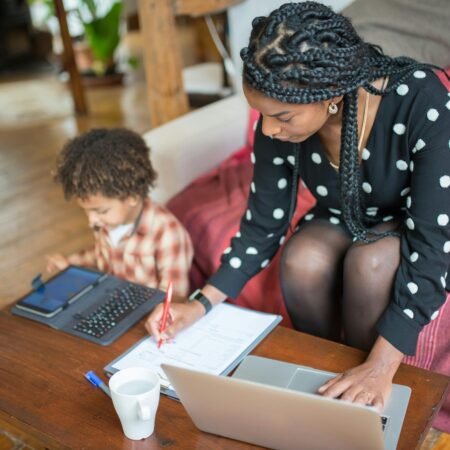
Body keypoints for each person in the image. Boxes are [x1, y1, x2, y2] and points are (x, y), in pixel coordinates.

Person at [146, 1, 450, 411]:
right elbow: (261, 226)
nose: (268, 129)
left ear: (330, 97)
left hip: (405, 221)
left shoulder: (422, 99)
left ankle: (368, 391)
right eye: (262, 116)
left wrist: (381, 365)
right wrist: (199, 305)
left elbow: (434, 244)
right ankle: (324, 374)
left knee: (371, 265)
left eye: (283, 117)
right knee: (302, 257)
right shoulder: (277, 123)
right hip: (340, 214)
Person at [47, 127, 193, 297]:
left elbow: (174, 297)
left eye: (100, 211)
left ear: (132, 196)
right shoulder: (109, 221)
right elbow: (102, 254)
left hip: (147, 315)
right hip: (109, 300)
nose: (91, 221)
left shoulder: (167, 234)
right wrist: (70, 265)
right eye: (86, 212)